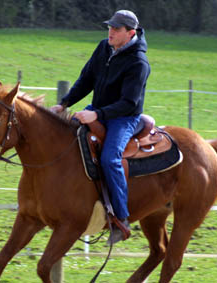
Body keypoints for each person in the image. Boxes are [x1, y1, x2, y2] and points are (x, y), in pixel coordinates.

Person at [50, 10, 150, 244]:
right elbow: (86, 79)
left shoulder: (138, 63)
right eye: (110, 27)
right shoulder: (103, 47)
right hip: (97, 109)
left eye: (116, 29)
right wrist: (64, 104)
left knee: (109, 159)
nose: (110, 32)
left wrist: (96, 114)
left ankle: (121, 220)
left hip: (124, 118)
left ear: (130, 33)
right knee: (64, 138)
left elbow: (129, 103)